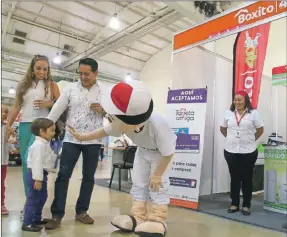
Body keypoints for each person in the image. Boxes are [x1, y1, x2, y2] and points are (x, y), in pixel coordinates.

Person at [68, 80, 177, 237]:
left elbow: (168, 153)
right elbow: (104, 131)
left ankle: (159, 219)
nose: (110, 118)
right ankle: (138, 217)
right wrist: (82, 137)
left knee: (157, 185)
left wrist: (158, 174)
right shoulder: (121, 122)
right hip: (142, 151)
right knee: (139, 184)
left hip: (161, 155)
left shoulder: (157, 125)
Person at [45, 58, 104, 229]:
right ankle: (57, 215)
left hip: (94, 140)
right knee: (63, 176)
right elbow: (57, 110)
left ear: (96, 73)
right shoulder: (71, 89)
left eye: (87, 74)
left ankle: (81, 212)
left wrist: (103, 110)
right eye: (80, 73)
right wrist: (44, 129)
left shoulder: (103, 92)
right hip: (71, 139)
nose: (83, 77)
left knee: (88, 178)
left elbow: (113, 115)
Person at [6, 55, 60, 198]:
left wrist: (50, 103)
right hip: (25, 125)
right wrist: (7, 127)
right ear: (32, 68)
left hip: (43, 126)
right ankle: (29, 198)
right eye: (38, 68)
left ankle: (36, 196)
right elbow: (16, 107)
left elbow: (62, 106)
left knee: (36, 159)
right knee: (25, 161)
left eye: (45, 69)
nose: (42, 72)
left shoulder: (52, 85)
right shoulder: (22, 85)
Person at [220, 91, 264, 216]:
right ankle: (234, 204)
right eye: (235, 100)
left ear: (246, 101)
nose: (237, 102)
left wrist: (250, 140)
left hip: (248, 152)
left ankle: (246, 205)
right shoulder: (228, 113)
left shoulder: (254, 114)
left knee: (247, 179)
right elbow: (222, 128)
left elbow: (260, 130)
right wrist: (230, 139)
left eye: (240, 100)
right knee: (234, 178)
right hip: (231, 151)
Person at [22, 118, 56, 232]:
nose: (54, 133)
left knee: (42, 197)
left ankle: (36, 219)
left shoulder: (44, 143)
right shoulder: (38, 145)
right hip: (35, 176)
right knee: (33, 199)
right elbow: (37, 163)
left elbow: (47, 160)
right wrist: (37, 179)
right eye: (51, 130)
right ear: (42, 131)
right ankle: (27, 222)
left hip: (41, 175)